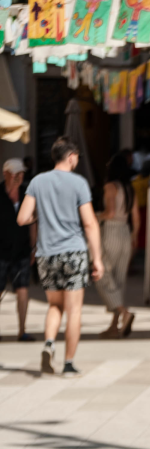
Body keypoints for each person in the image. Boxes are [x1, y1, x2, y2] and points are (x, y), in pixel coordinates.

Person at [17, 137, 104, 377]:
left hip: (47, 254)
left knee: (55, 305)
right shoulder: (79, 183)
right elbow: (89, 223)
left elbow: (22, 218)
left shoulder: (37, 182)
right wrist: (97, 258)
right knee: (74, 310)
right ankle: (68, 364)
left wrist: (42, 215)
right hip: (74, 252)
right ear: (71, 156)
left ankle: (48, 344)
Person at [96, 153, 138, 339]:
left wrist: (96, 216)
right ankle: (114, 326)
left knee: (102, 273)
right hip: (125, 233)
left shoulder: (110, 187)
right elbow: (136, 217)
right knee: (119, 280)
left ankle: (123, 312)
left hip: (111, 231)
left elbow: (110, 212)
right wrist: (134, 235)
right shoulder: (130, 189)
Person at [0, 158, 34, 342]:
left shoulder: (26, 194)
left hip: (22, 250)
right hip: (1, 251)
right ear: (6, 174)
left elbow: (33, 220)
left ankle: (22, 330)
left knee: (22, 290)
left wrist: (34, 246)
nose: (19, 178)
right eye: (15, 174)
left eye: (21, 174)